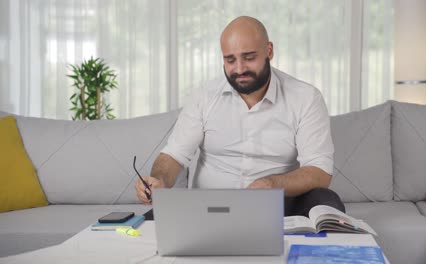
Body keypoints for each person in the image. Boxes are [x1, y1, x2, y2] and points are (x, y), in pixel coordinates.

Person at [135, 16, 345, 217]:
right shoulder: (204, 96)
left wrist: (271, 184)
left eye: (249, 57)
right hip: (211, 207)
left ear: (269, 51)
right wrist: (159, 180)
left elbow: (320, 171)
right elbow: (174, 155)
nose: (239, 69)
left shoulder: (306, 97)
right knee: (156, 216)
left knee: (326, 201)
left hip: (278, 205)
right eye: (230, 60)